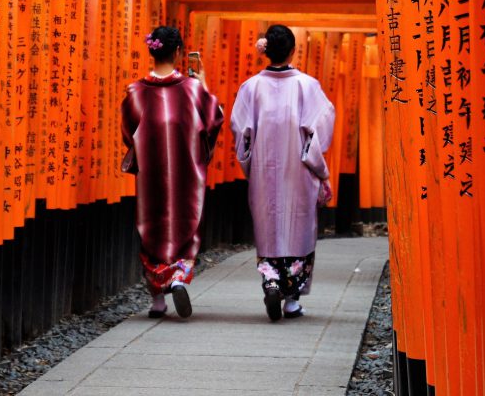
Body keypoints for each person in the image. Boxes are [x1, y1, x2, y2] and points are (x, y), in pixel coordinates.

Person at [230, 24, 335, 321]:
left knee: (269, 229)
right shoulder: (307, 86)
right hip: (298, 173)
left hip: (264, 174)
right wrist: (319, 169)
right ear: (292, 50)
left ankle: (271, 280)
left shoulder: (250, 88)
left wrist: (251, 163)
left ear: (266, 51)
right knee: (298, 229)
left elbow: (242, 133)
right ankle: (291, 302)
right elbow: (320, 128)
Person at [121, 26, 224, 319]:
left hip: (151, 176)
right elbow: (214, 119)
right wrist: (202, 83)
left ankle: (157, 301)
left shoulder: (136, 92)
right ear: (179, 53)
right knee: (184, 226)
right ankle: (178, 277)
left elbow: (128, 133)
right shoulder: (192, 91)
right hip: (186, 176)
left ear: (151, 51)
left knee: (152, 229)